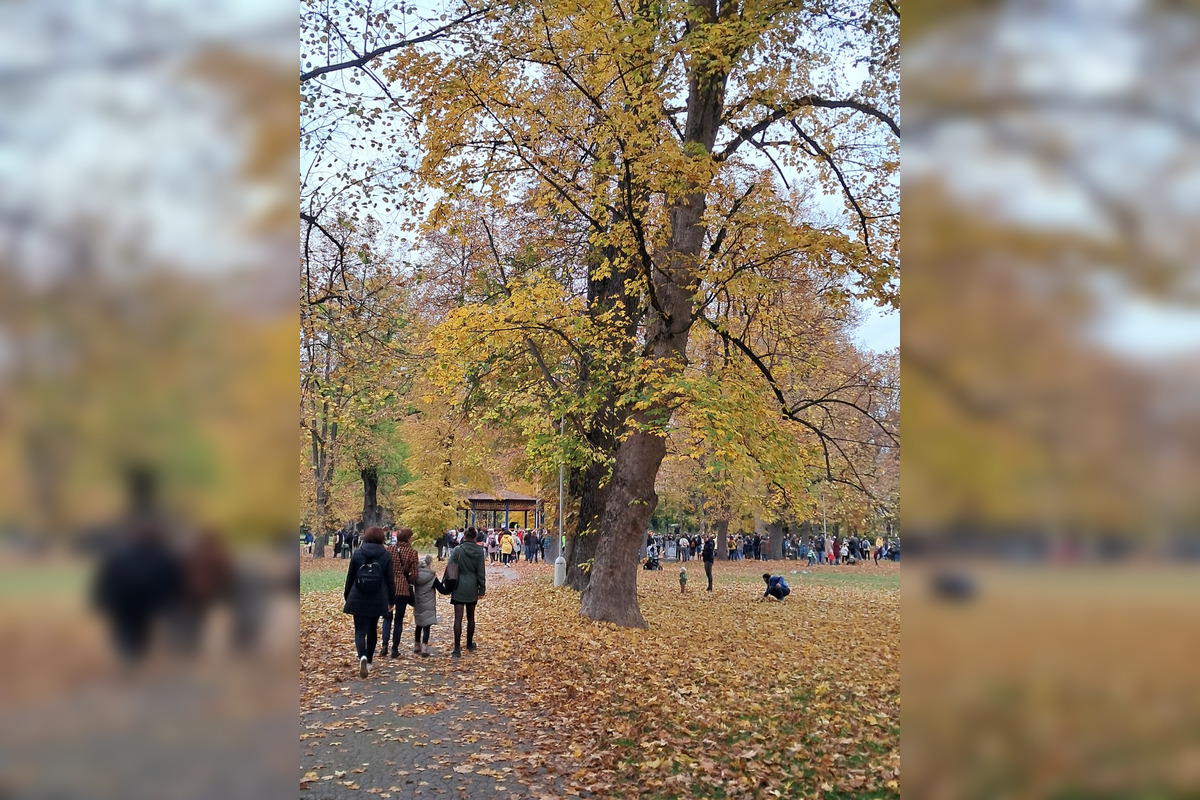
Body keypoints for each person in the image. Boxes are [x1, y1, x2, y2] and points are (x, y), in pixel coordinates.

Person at [343, 525, 396, 678]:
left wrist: (348, 596)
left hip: (358, 595)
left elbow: (350, 577)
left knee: (360, 630)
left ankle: (362, 656)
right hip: (377, 596)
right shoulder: (386, 555)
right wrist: (391, 600)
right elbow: (390, 580)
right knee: (372, 629)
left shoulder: (358, 553)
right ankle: (370, 662)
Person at [448, 527, 487, 657]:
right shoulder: (479, 551)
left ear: (464, 536)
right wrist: (482, 588)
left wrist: (449, 586)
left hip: (458, 585)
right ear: (475, 537)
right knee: (471, 617)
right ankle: (469, 644)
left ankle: (457, 648)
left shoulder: (457, 550)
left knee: (458, 618)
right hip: (472, 585)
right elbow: (481, 571)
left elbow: (450, 567)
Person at [382, 527, 420, 658]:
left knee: (387, 617)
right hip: (403, 588)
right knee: (398, 619)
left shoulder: (389, 550)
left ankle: (384, 645)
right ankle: (395, 648)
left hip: (389, 587)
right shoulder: (412, 552)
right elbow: (414, 574)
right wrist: (408, 579)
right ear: (408, 538)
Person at [411, 554, 439, 656]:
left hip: (418, 603)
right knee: (426, 626)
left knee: (419, 625)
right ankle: (424, 648)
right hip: (429, 604)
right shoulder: (432, 578)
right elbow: (442, 589)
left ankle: (416, 645)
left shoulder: (415, 577)